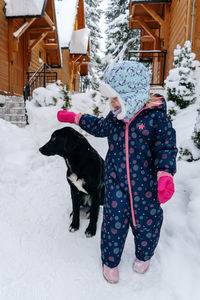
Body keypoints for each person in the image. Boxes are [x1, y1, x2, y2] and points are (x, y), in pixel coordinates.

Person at [57, 61, 178, 284]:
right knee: (113, 223)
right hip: (115, 182)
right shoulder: (114, 118)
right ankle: (110, 261)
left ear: (132, 95)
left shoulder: (155, 119)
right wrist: (76, 118)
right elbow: (99, 127)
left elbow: (166, 147)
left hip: (146, 187)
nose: (111, 104)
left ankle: (144, 256)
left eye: (115, 98)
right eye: (110, 99)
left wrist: (165, 174)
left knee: (147, 223)